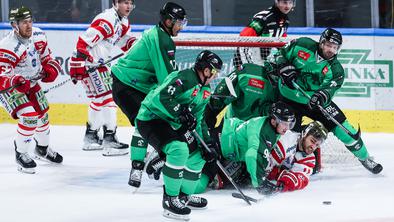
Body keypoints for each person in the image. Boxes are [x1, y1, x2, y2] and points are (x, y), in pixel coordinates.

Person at [273, 27, 383, 174]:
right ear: (322, 42)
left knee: (347, 132)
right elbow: (279, 53)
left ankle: (365, 158)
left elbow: (328, 91)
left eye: (335, 47)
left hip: (314, 102)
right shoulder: (302, 44)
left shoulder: (336, 70)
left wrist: (320, 96)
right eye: (329, 45)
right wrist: (283, 65)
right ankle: (282, 164)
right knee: (289, 136)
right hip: (288, 98)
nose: (331, 50)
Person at [135, 50, 223, 221]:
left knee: (200, 155)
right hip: (151, 118)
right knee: (179, 149)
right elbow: (162, 97)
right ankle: (170, 199)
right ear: (205, 70)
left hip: (172, 123)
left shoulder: (205, 89)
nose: (215, 76)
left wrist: (208, 142)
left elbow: (199, 119)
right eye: (214, 71)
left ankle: (184, 197)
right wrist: (181, 112)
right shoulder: (186, 77)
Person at [110, 2, 187, 188]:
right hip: (127, 86)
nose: (181, 27)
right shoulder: (162, 40)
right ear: (168, 21)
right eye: (179, 22)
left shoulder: (160, 35)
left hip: (136, 85)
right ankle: (139, 166)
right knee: (144, 120)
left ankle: (155, 159)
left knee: (150, 120)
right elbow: (167, 78)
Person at [0, 6, 63, 174]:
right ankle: (20, 153)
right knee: (29, 118)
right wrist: (14, 80)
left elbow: (46, 57)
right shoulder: (7, 46)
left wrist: (51, 67)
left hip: (31, 84)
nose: (28, 26)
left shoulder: (39, 35)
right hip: (12, 89)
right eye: (23, 23)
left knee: (43, 116)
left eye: (30, 21)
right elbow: (1, 74)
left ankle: (42, 149)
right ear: (14, 25)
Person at [69, 0, 136, 156]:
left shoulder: (122, 21)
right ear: (115, 3)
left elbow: (124, 41)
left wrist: (138, 45)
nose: (128, 6)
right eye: (125, 2)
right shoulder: (107, 20)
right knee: (108, 98)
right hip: (92, 64)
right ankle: (109, 140)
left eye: (131, 3)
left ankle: (91, 137)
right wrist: (77, 63)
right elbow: (83, 42)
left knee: (99, 100)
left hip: (94, 64)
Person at [194, 101, 296, 194]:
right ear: (274, 120)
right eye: (284, 124)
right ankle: (182, 191)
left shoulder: (272, 130)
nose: (287, 128)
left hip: (227, 143)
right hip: (218, 142)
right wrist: (261, 184)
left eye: (290, 124)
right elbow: (252, 155)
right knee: (200, 183)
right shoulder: (262, 131)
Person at [258, 121, 329, 195]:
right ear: (304, 134)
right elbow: (265, 163)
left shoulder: (310, 158)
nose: (313, 147)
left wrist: (283, 184)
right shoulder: (286, 140)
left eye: (317, 145)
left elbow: (301, 178)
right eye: (312, 141)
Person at [233, 0, 295, 69]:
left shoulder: (286, 21)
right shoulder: (264, 17)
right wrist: (243, 62)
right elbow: (244, 38)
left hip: (262, 58)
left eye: (290, 3)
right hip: (248, 54)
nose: (288, 6)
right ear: (277, 2)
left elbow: (282, 42)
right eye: (284, 2)